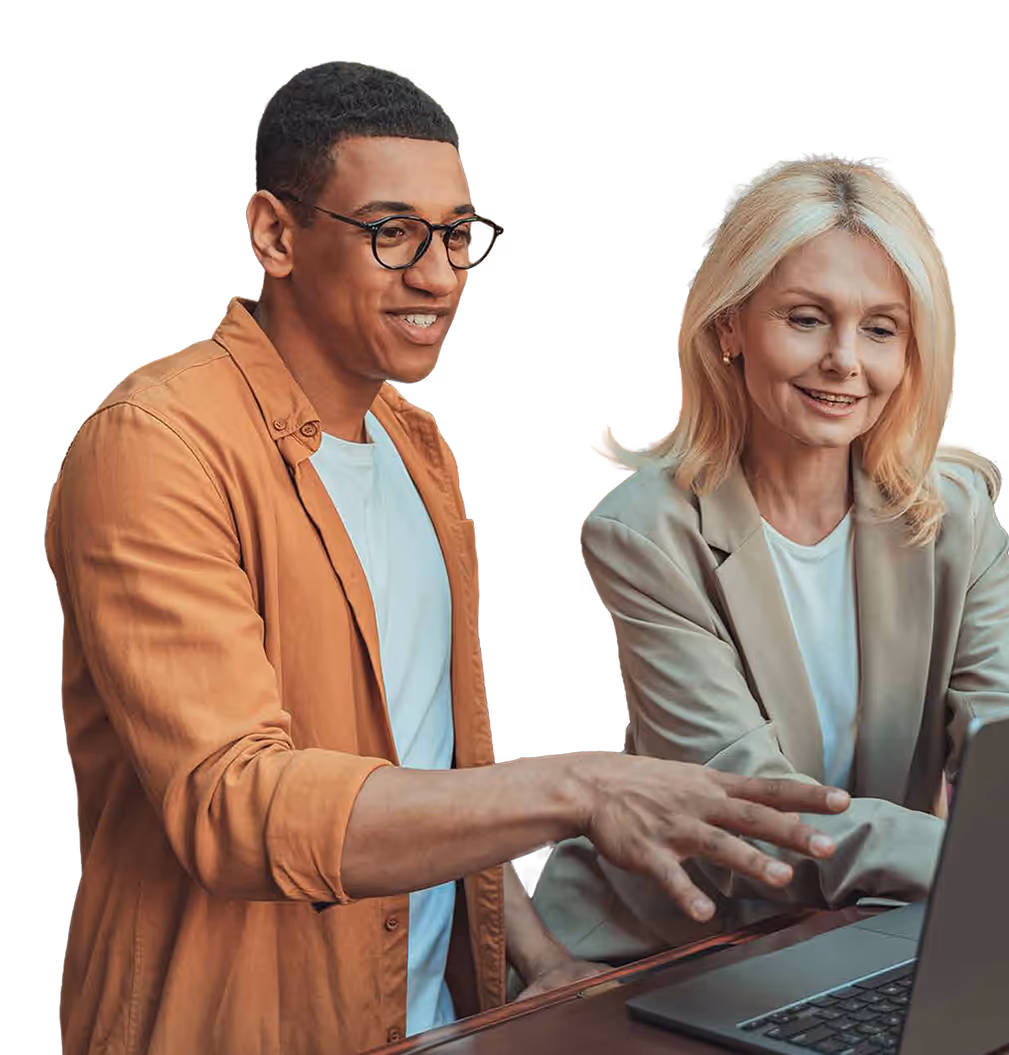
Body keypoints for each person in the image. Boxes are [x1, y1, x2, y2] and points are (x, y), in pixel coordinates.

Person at [47, 62, 852, 1055]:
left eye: (458, 234)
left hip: (430, 1029)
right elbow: (235, 807)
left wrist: (540, 961)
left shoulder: (417, 445)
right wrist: (580, 787)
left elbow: (433, 771)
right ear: (274, 233)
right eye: (391, 230)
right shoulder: (155, 443)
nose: (436, 274)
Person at [528, 154, 1009, 979]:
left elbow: (998, 743)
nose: (844, 359)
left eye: (880, 328)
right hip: (661, 953)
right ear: (728, 327)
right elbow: (744, 810)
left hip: (865, 933)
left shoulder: (955, 511)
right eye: (806, 318)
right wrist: (973, 867)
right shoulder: (641, 532)